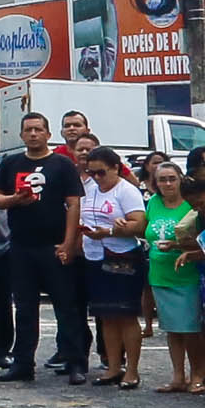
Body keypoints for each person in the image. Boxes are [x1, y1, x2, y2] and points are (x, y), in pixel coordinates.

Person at [0, 112, 85, 382]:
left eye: (38, 129)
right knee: (25, 308)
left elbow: (73, 204)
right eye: (28, 130)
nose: (33, 134)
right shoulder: (10, 163)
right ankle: (23, 364)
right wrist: (14, 200)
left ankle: (76, 363)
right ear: (21, 135)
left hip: (54, 245)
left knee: (66, 307)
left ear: (48, 134)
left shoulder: (62, 164)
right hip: (20, 247)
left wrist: (68, 242)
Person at [77, 146, 151, 387]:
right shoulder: (89, 190)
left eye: (101, 172)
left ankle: (132, 369)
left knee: (126, 315)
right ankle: (113, 366)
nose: (97, 178)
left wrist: (111, 230)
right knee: (106, 315)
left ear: (116, 168)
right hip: (95, 256)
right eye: (92, 172)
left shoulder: (126, 191)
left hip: (122, 257)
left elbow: (140, 226)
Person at [142, 158, 205, 396]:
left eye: (172, 179)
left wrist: (179, 245)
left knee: (191, 329)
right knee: (172, 329)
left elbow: (204, 239)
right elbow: (147, 231)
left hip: (187, 274)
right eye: (162, 180)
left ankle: (198, 374)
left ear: (180, 180)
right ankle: (178, 376)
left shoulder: (190, 205)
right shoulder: (153, 203)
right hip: (160, 273)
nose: (167, 184)